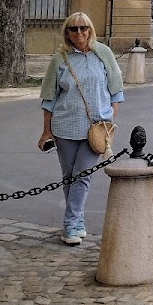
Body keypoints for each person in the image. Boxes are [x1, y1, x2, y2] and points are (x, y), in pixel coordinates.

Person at [38, 13, 124, 246]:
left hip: (95, 129)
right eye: (73, 29)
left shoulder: (103, 53)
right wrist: (46, 131)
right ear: (67, 32)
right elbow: (49, 98)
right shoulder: (60, 59)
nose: (79, 33)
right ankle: (78, 221)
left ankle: (70, 224)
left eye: (83, 28)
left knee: (82, 176)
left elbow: (116, 88)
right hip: (64, 127)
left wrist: (111, 114)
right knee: (69, 177)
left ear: (90, 29)